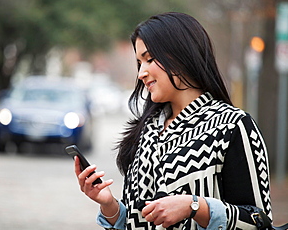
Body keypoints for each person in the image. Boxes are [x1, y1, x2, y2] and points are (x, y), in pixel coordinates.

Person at [74, 12, 273, 230]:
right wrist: (110, 206)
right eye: (139, 62)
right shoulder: (146, 130)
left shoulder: (232, 126)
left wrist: (195, 206)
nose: (141, 72)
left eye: (150, 59)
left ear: (181, 55)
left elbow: (259, 222)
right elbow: (136, 223)